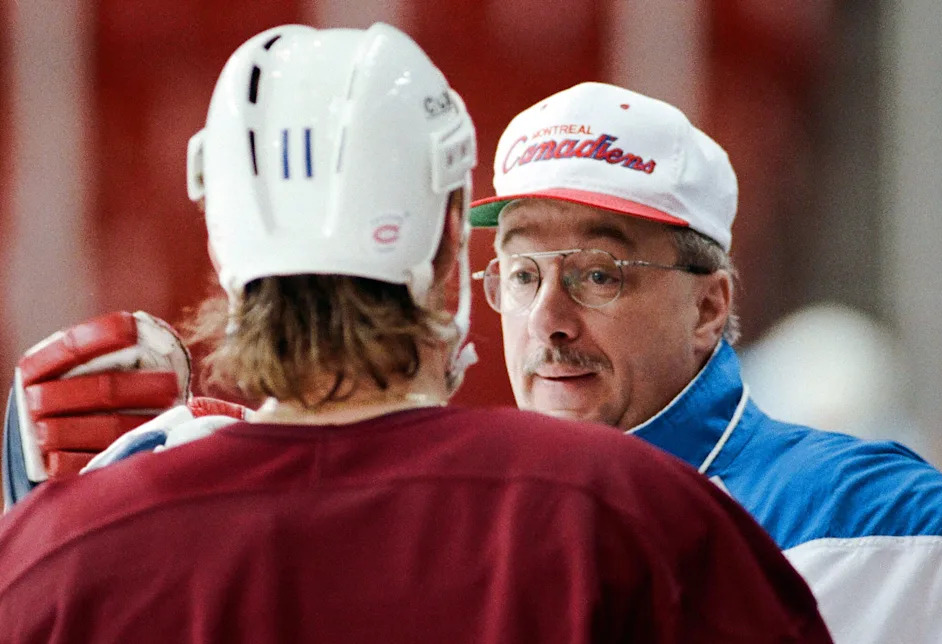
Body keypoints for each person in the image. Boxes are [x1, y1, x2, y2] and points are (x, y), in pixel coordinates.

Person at [0, 25, 833, 643]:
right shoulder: (632, 518)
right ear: (446, 243)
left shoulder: (58, 556)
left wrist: (52, 523)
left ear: (223, 236)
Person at [468, 81, 942, 644]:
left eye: (599, 274)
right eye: (524, 275)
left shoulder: (878, 524)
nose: (546, 321)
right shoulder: (462, 530)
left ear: (708, 308)